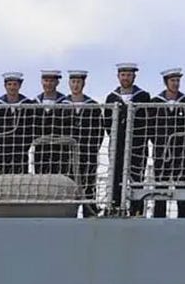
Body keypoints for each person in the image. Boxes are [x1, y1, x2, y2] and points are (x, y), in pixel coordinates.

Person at [108, 63, 153, 214]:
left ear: (134, 77)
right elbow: (107, 123)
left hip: (138, 144)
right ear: (118, 76)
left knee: (137, 176)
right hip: (118, 145)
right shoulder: (111, 97)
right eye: (123, 75)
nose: (125, 78)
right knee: (116, 176)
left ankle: (137, 209)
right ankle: (115, 207)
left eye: (128, 75)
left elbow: (148, 121)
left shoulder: (143, 97)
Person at [151, 69, 185, 217]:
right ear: (166, 82)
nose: (175, 84)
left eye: (177, 81)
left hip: (181, 151)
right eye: (172, 81)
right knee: (160, 185)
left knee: (182, 185)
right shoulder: (156, 102)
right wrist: (159, 143)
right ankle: (159, 217)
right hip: (161, 150)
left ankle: (183, 217)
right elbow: (150, 127)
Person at [60, 70, 105, 207]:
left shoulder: (93, 106)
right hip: (66, 153)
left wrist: (93, 149)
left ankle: (89, 211)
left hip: (87, 152)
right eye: (73, 82)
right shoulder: (61, 105)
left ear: (83, 83)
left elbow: (99, 131)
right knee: (67, 185)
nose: (75, 85)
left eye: (78, 82)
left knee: (88, 183)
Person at [0, 72, 35, 177]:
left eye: (15, 84)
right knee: (1, 178)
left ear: (19, 86)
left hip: (21, 147)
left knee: (20, 178)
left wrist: (28, 142)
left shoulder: (28, 105)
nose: (12, 87)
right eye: (9, 84)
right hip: (2, 148)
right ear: (5, 86)